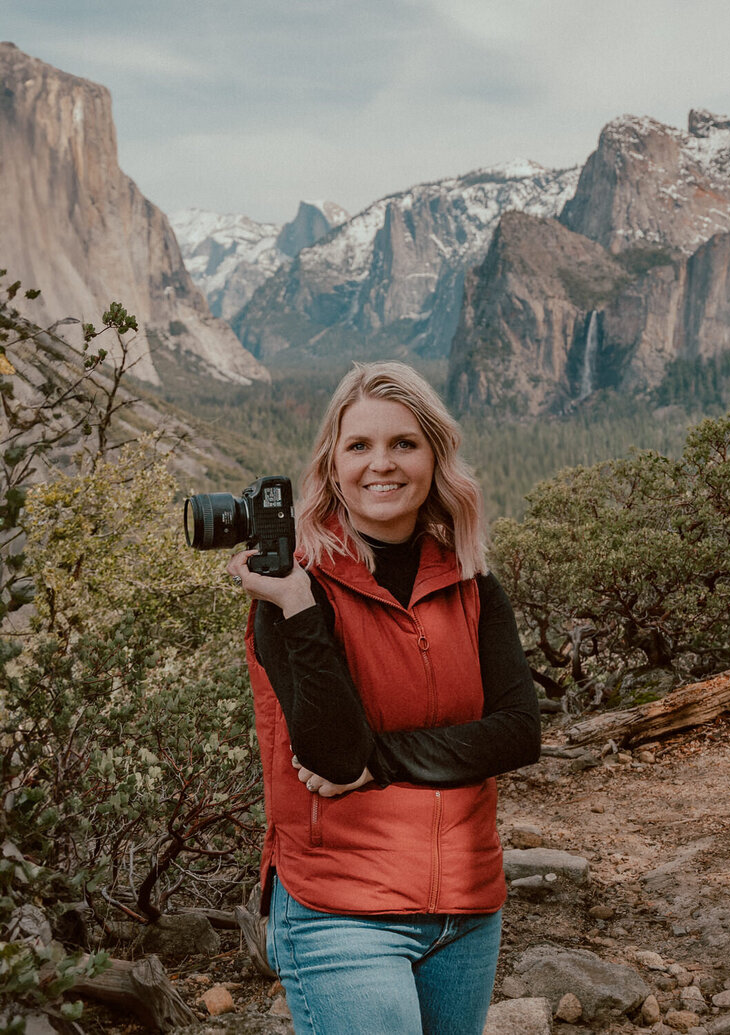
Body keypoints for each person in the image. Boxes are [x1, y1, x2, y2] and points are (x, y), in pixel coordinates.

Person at [226, 361, 540, 1035]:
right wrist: (298, 608)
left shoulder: (471, 582)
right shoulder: (293, 588)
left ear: (435, 457)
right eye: (359, 446)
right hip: (341, 909)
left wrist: (387, 758)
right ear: (332, 466)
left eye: (404, 443)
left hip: (467, 903)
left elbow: (519, 732)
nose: (382, 465)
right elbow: (335, 755)